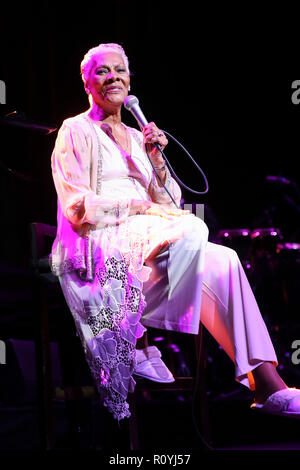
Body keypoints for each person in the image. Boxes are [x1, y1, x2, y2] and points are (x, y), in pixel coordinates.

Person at [50, 42, 300, 421]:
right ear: (87, 83)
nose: (113, 77)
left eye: (120, 70)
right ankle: (133, 336)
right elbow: (77, 207)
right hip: (103, 248)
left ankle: (268, 386)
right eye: (102, 71)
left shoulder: (138, 137)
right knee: (191, 229)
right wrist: (138, 207)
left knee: (225, 259)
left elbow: (168, 204)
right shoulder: (75, 130)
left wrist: (157, 164)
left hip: (151, 243)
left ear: (130, 80)